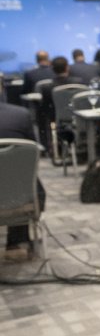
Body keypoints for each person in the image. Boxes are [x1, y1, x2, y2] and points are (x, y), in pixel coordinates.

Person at [0, 82, 46, 261]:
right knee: (24, 179)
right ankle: (17, 242)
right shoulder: (21, 115)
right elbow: (33, 150)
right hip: (21, 195)